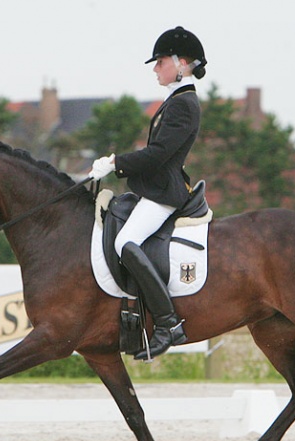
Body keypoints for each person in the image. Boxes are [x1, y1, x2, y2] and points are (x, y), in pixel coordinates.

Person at [88, 26, 207, 360]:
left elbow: (158, 155)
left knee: (124, 243)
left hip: (163, 194)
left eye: (160, 62)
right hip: (153, 189)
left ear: (181, 63)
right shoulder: (176, 100)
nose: (155, 69)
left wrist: (115, 162)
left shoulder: (184, 104)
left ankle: (168, 323)